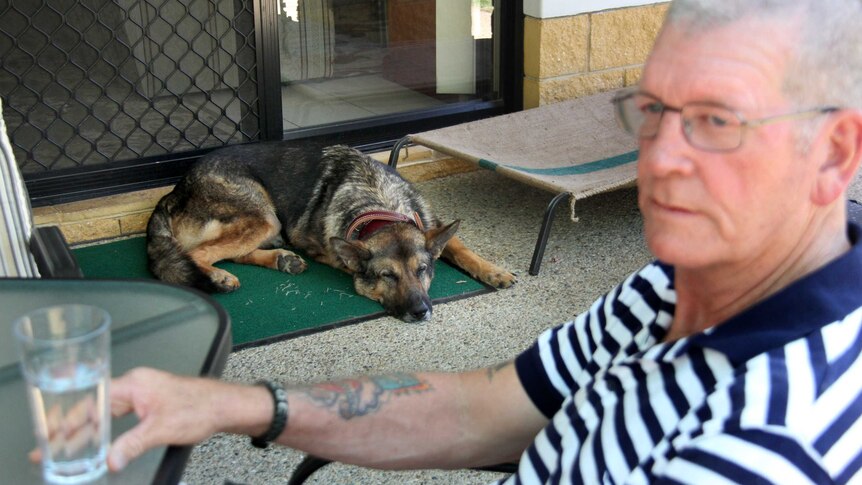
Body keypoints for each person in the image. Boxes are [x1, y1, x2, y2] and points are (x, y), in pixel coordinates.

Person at [95, 0, 862, 482]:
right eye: (652, 110)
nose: (659, 158)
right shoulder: (672, 288)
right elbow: (485, 407)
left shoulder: (764, 444)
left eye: (718, 122)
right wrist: (234, 402)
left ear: (832, 153)